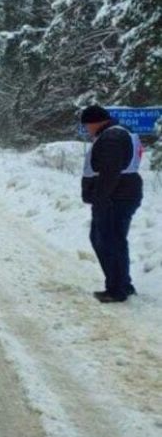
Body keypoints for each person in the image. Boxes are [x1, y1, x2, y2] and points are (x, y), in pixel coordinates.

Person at [80, 105, 144, 303]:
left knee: (107, 241)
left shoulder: (112, 138)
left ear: (95, 122)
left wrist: (100, 198)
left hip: (115, 197)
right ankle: (122, 283)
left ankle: (117, 290)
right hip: (121, 194)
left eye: (87, 125)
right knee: (112, 240)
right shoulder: (117, 133)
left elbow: (110, 172)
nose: (87, 129)